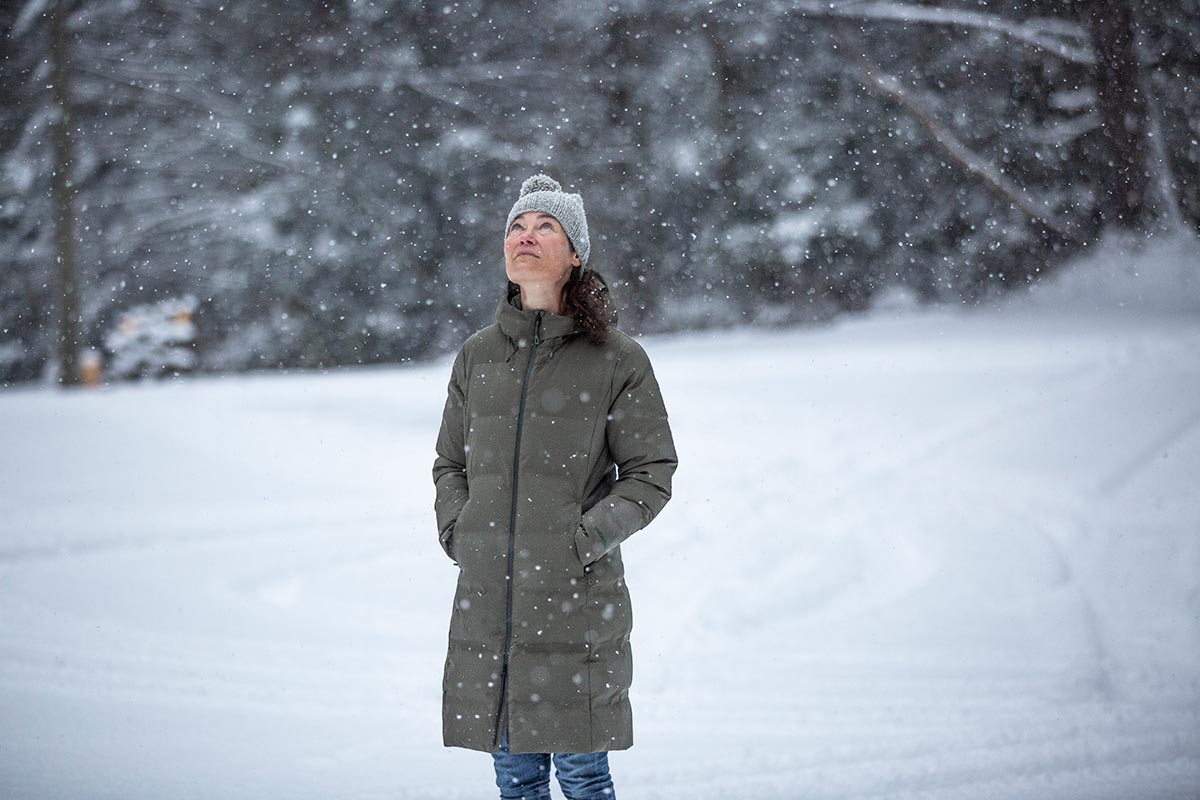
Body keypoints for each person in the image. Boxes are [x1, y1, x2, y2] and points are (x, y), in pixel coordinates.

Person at [432, 173, 679, 800]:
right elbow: (448, 464)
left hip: (576, 600)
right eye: (516, 226)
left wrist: (582, 539)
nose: (526, 236)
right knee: (514, 780)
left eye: (545, 226)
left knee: (583, 776)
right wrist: (462, 533)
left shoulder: (616, 358)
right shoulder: (477, 356)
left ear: (575, 255)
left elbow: (652, 473)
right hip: (490, 600)